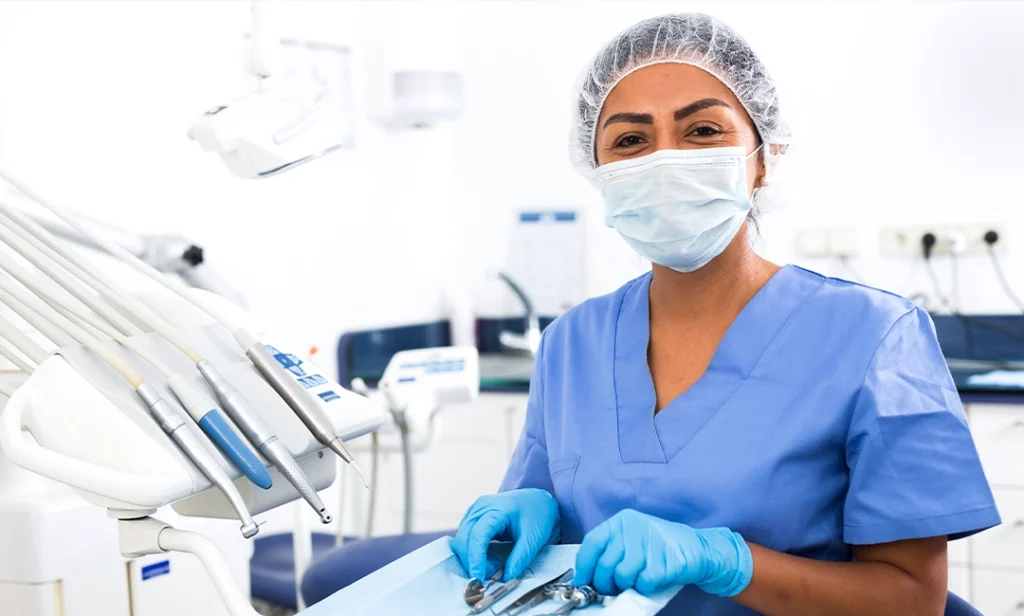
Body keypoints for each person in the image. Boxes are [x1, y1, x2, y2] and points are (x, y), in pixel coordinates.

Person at [452, 12, 1000, 616]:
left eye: (703, 130)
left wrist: (727, 563)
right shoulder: (570, 344)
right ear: (601, 173)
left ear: (762, 158)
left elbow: (913, 601)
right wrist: (537, 515)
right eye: (630, 141)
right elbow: (543, 538)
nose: (665, 162)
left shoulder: (875, 337)